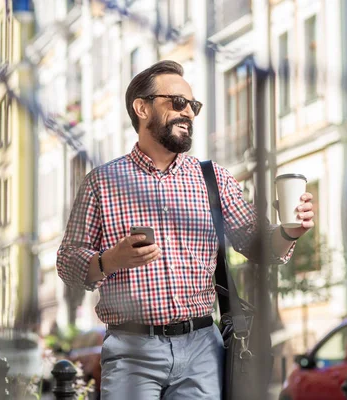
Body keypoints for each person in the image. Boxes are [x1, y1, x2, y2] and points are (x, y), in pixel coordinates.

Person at [57, 60, 315, 399]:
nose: (189, 113)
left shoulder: (214, 180)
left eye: (193, 106)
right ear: (142, 107)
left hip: (201, 350)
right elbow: (67, 263)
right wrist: (109, 261)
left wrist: (290, 231)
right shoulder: (102, 183)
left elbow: (260, 247)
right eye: (177, 102)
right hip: (131, 348)